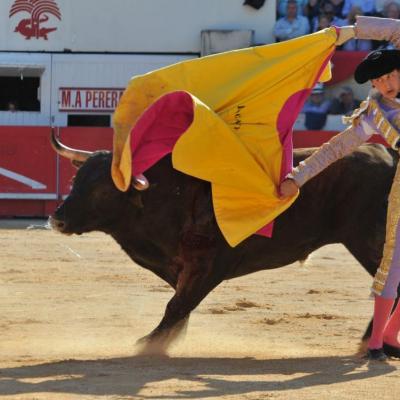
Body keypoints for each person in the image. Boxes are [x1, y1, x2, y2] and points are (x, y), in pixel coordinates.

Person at [280, 49, 400, 361]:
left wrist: (354, 28)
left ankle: (389, 334)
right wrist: (298, 176)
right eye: (377, 79)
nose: (384, 83)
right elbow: (335, 149)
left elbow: (396, 28)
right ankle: (376, 343)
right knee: (393, 266)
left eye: (389, 75)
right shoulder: (373, 114)